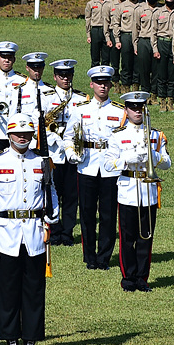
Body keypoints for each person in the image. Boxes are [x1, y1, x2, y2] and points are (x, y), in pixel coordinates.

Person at [0, 113, 58, 345]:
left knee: (34, 293)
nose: (23, 138)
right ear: (9, 135)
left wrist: (54, 210)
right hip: (7, 234)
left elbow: (51, 190)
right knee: (8, 293)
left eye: (27, 134)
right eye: (18, 134)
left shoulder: (42, 161)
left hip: (35, 235)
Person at [102, 92, 170, 293]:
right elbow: (107, 164)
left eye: (140, 107)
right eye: (133, 107)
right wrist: (127, 159)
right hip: (128, 190)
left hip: (148, 190)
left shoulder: (156, 135)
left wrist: (154, 155)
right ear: (126, 110)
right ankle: (128, 278)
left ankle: (142, 278)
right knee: (127, 238)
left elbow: (167, 163)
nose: (137, 111)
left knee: (146, 238)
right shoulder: (118, 135)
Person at [63, 66, 122, 271]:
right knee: (87, 214)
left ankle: (104, 257)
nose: (102, 86)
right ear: (92, 84)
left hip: (110, 167)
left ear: (110, 85)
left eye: (106, 82)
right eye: (98, 82)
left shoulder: (119, 111)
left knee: (108, 214)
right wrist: (71, 153)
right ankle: (89, 256)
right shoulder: (81, 109)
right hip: (87, 165)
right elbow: (68, 136)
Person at [40, 59, 88, 246]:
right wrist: (51, 138)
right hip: (53, 152)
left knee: (71, 195)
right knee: (52, 192)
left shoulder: (81, 98)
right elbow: (39, 123)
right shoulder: (45, 96)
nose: (65, 78)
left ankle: (67, 232)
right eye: (61, 75)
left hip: (73, 153)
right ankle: (53, 230)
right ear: (55, 77)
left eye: (68, 75)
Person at [132, 0, 161, 95]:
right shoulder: (139, 10)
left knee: (156, 68)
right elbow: (136, 28)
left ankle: (154, 92)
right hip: (143, 41)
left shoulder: (161, 10)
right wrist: (135, 45)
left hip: (157, 42)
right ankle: (145, 90)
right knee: (143, 69)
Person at [84, 0, 114, 66]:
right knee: (95, 56)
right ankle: (95, 77)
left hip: (107, 30)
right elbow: (88, 19)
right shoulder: (91, 3)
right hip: (95, 30)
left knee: (106, 57)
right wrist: (88, 35)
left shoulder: (111, 3)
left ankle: (105, 77)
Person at [107, 0, 128, 85]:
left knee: (126, 60)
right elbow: (106, 21)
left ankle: (125, 81)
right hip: (113, 33)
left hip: (125, 34)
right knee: (114, 60)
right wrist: (108, 38)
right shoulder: (111, 5)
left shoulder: (129, 5)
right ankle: (115, 81)